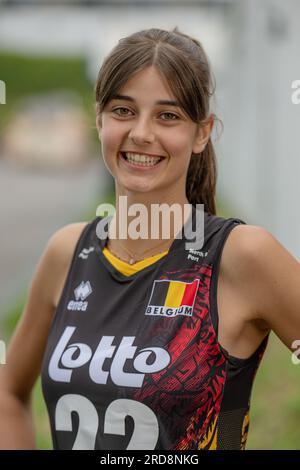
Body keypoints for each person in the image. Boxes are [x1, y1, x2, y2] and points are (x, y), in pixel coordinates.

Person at [0, 27, 299, 451]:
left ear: (201, 133)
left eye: (168, 115)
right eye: (123, 110)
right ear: (98, 117)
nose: (141, 133)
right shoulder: (67, 252)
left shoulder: (242, 254)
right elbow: (9, 393)